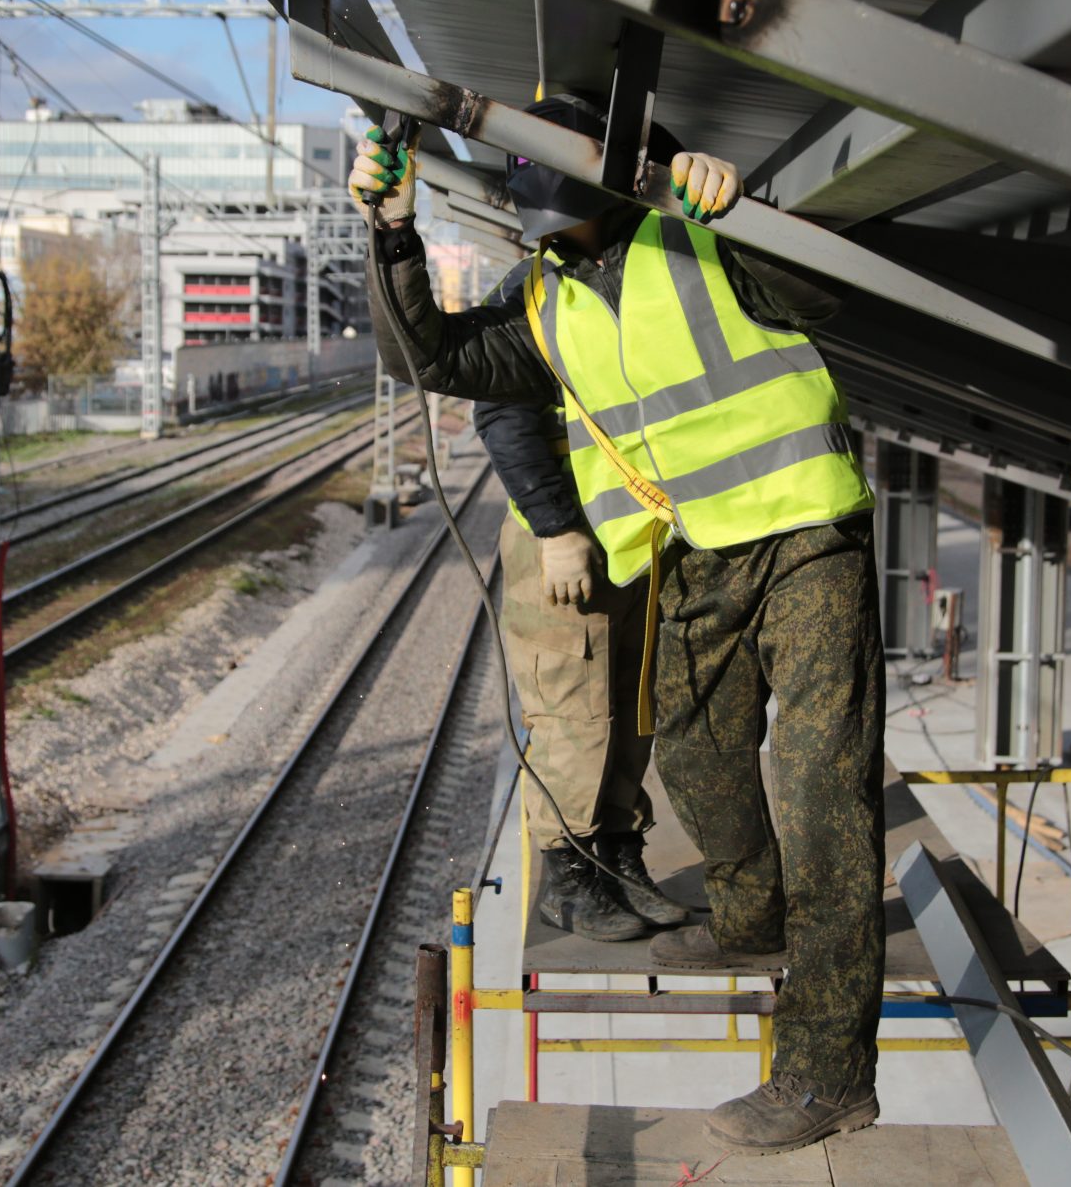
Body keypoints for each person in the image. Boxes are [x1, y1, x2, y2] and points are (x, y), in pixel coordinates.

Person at [352, 96, 887, 1155]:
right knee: (696, 756)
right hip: (695, 555)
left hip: (807, 537)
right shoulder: (545, 302)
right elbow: (431, 362)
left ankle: (829, 1071)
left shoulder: (698, 235)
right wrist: (391, 230)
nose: (559, 233)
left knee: (824, 790)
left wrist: (746, 208)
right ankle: (750, 918)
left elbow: (825, 295)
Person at [476, 296, 689, 942]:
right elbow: (500, 408)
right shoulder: (530, 292)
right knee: (574, 712)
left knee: (629, 706)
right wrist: (554, 525)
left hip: (631, 537)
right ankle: (568, 875)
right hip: (565, 540)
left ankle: (618, 856)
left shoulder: (629, 276)